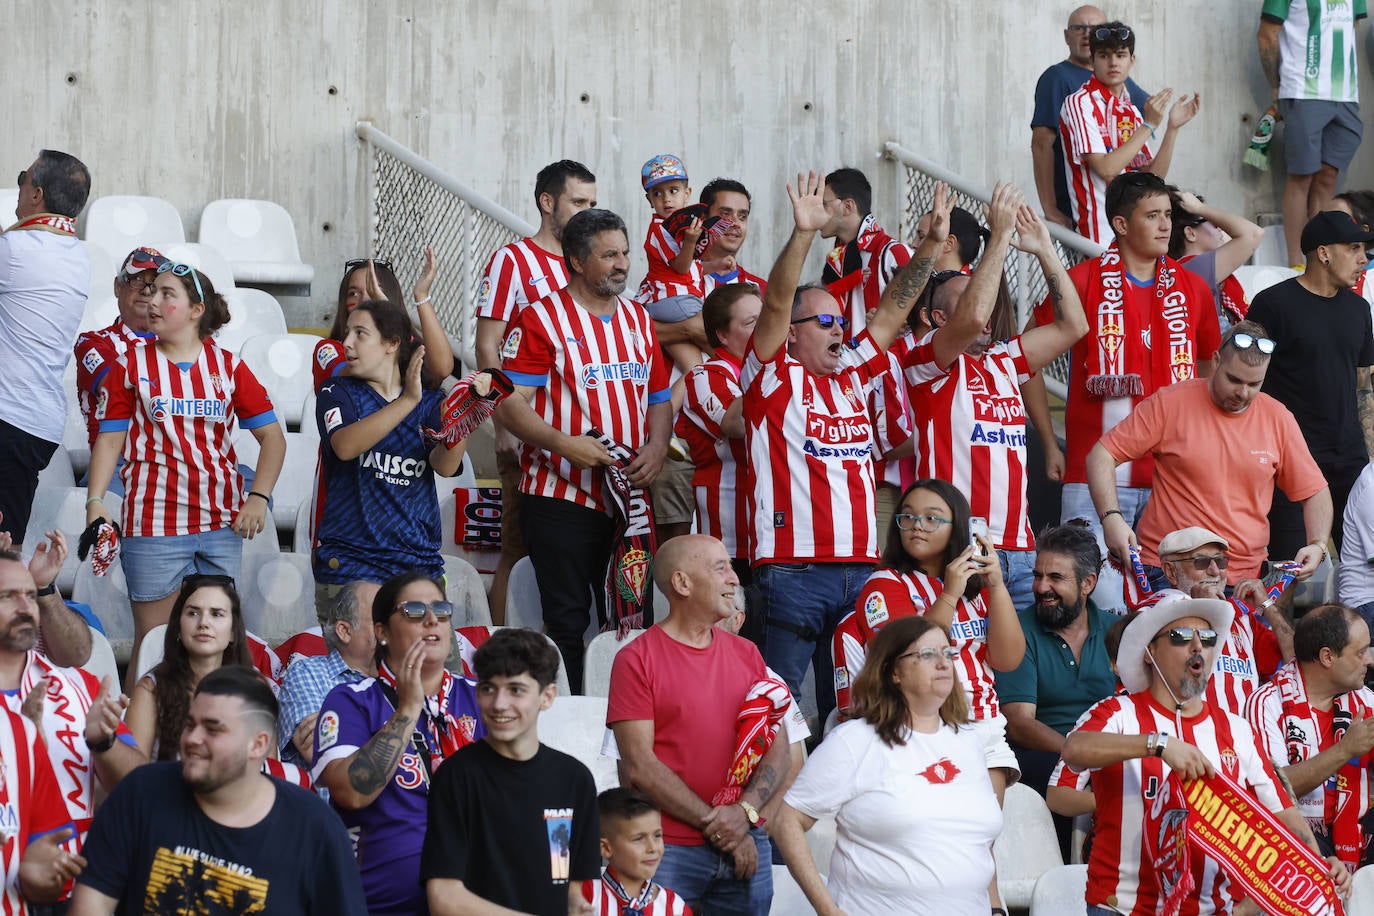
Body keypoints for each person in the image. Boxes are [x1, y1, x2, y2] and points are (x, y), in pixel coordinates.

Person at [745, 172, 950, 724]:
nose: (842, 330)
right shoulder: (773, 376)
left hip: (862, 572)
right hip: (791, 572)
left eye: (842, 321)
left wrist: (930, 245)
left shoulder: (854, 371)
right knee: (777, 710)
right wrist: (804, 235)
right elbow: (776, 303)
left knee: (866, 707)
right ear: (793, 333)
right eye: (826, 322)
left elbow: (892, 311)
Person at [1060, 593, 1351, 913]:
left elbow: (1284, 817)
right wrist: (1158, 744)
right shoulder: (1117, 712)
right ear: (1149, 652)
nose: (1198, 646)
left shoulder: (1237, 729)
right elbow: (1075, 749)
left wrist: (1318, 866)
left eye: (1209, 638)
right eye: (1181, 636)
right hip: (1122, 908)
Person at [84, 258, 285, 687]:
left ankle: (213, 728)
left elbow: (274, 439)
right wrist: (96, 500)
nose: (152, 300)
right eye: (151, 291)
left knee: (217, 643)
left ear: (197, 310)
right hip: (154, 522)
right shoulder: (129, 366)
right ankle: (145, 738)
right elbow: (110, 440)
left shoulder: (229, 367)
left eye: (166, 294)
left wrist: (259, 497)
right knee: (156, 641)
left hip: (220, 523)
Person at [1027, 170, 1221, 610]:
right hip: (1090, 474)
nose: (1165, 226)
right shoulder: (1079, 281)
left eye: (1168, 215)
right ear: (1120, 224)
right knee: (1094, 601)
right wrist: (1047, 440)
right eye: (1152, 215)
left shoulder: (1193, 289)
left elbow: (1209, 369)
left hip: (1173, 477)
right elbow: (1024, 361)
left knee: (1170, 602)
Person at [497, 208, 672, 691]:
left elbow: (658, 397)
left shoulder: (638, 316)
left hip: (629, 498)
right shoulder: (541, 318)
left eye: (625, 252)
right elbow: (509, 404)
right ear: (576, 261)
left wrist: (657, 448)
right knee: (569, 623)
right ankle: (571, 725)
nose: (622, 263)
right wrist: (563, 445)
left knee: (632, 619)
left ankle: (630, 722)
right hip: (560, 497)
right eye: (609, 254)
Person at [902, 187, 1088, 610]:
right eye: (972, 298)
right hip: (956, 549)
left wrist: (1043, 249)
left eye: (985, 297)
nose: (985, 312)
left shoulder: (1005, 359)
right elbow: (970, 319)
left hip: (1019, 552)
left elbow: (1074, 326)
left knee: (1013, 672)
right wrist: (1000, 236)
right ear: (937, 318)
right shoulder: (927, 361)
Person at [70, 666, 367, 916]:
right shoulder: (140, 793)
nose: (192, 739)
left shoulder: (313, 828)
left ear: (258, 744)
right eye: (190, 724)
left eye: (213, 729)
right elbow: (92, 900)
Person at [609, 535, 793, 915]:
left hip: (745, 840)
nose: (733, 578)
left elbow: (777, 745)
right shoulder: (635, 659)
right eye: (720, 567)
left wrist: (743, 816)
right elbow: (639, 764)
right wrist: (723, 826)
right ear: (682, 583)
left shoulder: (748, 654)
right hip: (666, 849)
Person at [771, 615, 1004, 916]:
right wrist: (827, 909)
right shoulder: (854, 741)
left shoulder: (970, 740)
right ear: (893, 671)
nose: (944, 663)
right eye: (927, 655)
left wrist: (996, 907)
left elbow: (977, 844)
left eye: (948, 653)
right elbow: (786, 822)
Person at [1088, 320, 1332, 586]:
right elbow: (1101, 455)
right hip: (1170, 571)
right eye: (1234, 379)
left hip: (1242, 578)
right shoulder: (1170, 403)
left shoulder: (1277, 417)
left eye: (1254, 384)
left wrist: (1318, 543)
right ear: (1216, 361)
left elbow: (1315, 490)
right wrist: (1111, 518)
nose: (1242, 393)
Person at [314, 570, 483, 916]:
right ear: (382, 632)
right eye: (415, 611)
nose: (433, 620)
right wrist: (407, 709)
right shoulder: (352, 701)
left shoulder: (484, 699)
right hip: (380, 906)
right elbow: (353, 792)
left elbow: (538, 793)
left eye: (442, 610)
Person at [475, 160, 597, 622]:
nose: (588, 210)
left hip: (585, 436)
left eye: (593, 203)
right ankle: (502, 645)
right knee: (518, 547)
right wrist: (500, 418)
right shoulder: (514, 260)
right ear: (548, 203)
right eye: (579, 201)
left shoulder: (587, 264)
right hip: (529, 433)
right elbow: (488, 341)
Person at [422, 627, 601, 915]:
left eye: (516, 690)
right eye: (488, 688)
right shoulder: (456, 776)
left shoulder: (574, 779)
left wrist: (579, 907)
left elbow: (567, 883)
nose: (499, 704)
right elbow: (443, 897)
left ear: (547, 696)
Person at [312, 299, 472, 618]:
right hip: (351, 567)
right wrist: (407, 401)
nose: (346, 343)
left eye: (360, 334)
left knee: (434, 668)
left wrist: (463, 420)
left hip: (418, 569)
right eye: (347, 333)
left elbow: (446, 465)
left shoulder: (430, 403)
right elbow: (345, 445)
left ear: (391, 343)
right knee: (358, 670)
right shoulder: (337, 391)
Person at [0, 547, 141, 885]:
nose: (25, 607)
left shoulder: (78, 685)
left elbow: (137, 787)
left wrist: (104, 743)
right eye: (8, 596)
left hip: (78, 880)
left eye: (31, 596)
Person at [1247, 211, 1374, 561]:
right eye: (1355, 248)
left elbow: (1363, 387)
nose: (1364, 259)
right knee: (1286, 569)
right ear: (1324, 253)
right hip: (1290, 459)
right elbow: (1245, 379)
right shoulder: (1272, 305)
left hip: (1350, 461)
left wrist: (1370, 459)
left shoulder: (1360, 309)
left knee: (1362, 566)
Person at [0, 149, 91, 547]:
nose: (18, 188)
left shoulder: (17, 251)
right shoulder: (76, 254)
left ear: (35, 193)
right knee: (7, 541)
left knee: (4, 554)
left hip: (8, 419)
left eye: (22, 178)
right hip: (34, 421)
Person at [1245, 604, 1374, 871]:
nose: (1370, 660)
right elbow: (1272, 790)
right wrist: (1345, 750)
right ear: (1327, 657)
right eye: (1361, 652)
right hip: (1293, 834)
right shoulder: (1267, 703)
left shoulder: (1365, 700)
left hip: (1358, 828)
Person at [995, 521, 1118, 796]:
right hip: (1045, 757)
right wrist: (1078, 752)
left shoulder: (1117, 631)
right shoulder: (1017, 630)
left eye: (1055, 578)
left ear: (1088, 583)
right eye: (1038, 576)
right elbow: (1018, 723)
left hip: (1111, 754)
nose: (1041, 587)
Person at [1058, 22, 1199, 244]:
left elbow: (1153, 178)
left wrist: (1172, 128)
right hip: (1100, 233)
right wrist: (1149, 125)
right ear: (1092, 60)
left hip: (1138, 231)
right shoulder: (1078, 102)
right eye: (1104, 55)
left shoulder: (1131, 110)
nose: (1113, 62)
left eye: (1120, 55)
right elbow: (1106, 168)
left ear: (1131, 60)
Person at [676, 284, 761, 631]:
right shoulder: (705, 375)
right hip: (731, 535)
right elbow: (734, 422)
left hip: (776, 534)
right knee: (735, 636)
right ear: (723, 335)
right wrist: (764, 365)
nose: (765, 330)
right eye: (752, 322)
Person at [1258, 0, 1366, 269]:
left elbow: (1351, 27)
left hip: (1345, 93)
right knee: (1301, 177)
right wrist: (1277, 87)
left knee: (1329, 177)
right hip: (1303, 91)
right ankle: (1296, 263)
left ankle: (1321, 263)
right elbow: (1266, 34)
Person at [1154, 526, 1293, 716]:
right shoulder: (1157, 614)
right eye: (1201, 562)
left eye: (1220, 561)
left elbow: (1295, 663)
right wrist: (1204, 606)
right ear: (1171, 572)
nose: (1214, 571)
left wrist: (1267, 605)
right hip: (1187, 736)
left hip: (1243, 737)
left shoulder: (1243, 621)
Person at [1032, 5, 1149, 229]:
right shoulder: (1057, 77)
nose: (1087, 33)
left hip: (1125, 205)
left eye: (1095, 28)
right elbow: (1041, 144)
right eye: (1079, 28)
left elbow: (1147, 116)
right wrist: (1050, 208)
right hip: (1081, 205)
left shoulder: (1116, 79)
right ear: (1067, 36)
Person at [125, 575, 252, 762]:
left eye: (216, 614)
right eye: (193, 613)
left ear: (233, 631)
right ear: (178, 627)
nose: (203, 623)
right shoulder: (150, 690)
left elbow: (269, 772)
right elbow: (132, 775)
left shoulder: (254, 688)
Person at [72, 246, 161, 484]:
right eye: (136, 280)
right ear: (117, 287)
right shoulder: (93, 342)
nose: (146, 290)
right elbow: (122, 388)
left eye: (155, 284)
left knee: (248, 486)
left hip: (177, 461)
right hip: (118, 461)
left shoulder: (187, 342)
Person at [277, 580, 378, 769]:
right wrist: (396, 728)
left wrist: (343, 726)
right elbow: (326, 755)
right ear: (345, 631)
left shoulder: (404, 676)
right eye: (379, 618)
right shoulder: (309, 674)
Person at [313, 253, 453, 389]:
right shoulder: (328, 348)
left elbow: (442, 370)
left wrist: (421, 295)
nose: (365, 300)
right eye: (354, 293)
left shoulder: (406, 340)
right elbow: (353, 372)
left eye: (374, 291)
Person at [636, 153, 709, 376]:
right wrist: (689, 241)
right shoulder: (662, 228)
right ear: (649, 200)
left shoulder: (683, 223)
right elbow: (680, 267)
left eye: (673, 191)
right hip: (676, 301)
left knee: (695, 371)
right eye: (657, 193)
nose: (666, 199)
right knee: (720, 344)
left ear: (687, 194)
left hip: (670, 303)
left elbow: (694, 261)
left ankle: (669, 409)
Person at [818, 167, 912, 332]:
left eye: (824, 204)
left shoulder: (893, 253)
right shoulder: (836, 259)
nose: (817, 212)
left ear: (848, 206)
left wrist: (897, 326)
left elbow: (918, 320)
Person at [1169, 189, 1266, 334]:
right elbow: (1253, 233)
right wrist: (1199, 208)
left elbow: (1237, 238)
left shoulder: (1197, 267)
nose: (1221, 229)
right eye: (1214, 224)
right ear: (1190, 233)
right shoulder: (1192, 268)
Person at [583, 788, 690, 916]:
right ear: (606, 848)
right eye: (638, 839)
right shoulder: (584, 897)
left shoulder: (675, 907)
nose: (652, 848)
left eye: (657, 835)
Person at [699, 178, 767, 295]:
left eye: (742, 216)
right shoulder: (673, 282)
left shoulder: (761, 290)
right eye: (726, 214)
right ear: (703, 218)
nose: (735, 223)